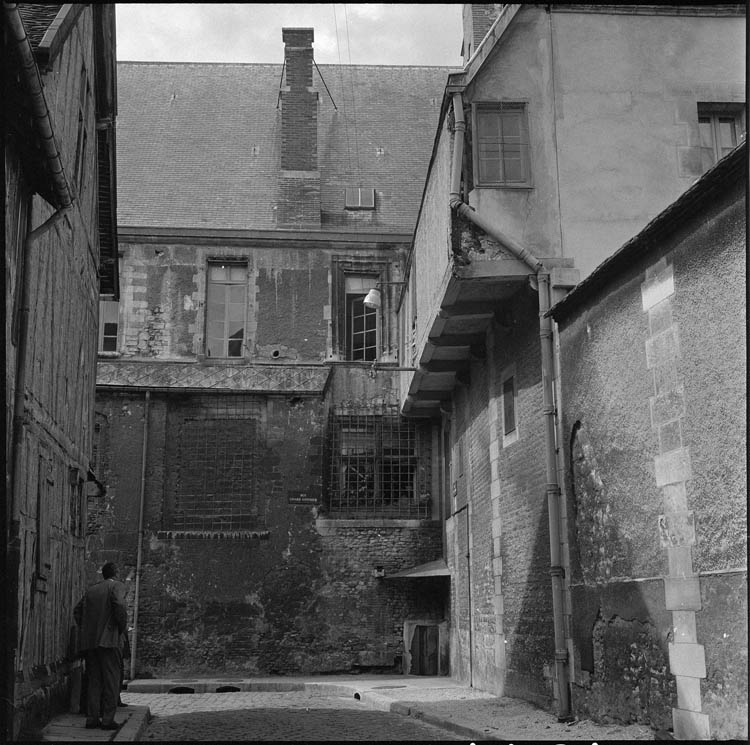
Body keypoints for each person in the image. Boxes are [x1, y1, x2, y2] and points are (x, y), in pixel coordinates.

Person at [74, 562, 127, 730]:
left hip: (91, 642)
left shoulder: (92, 590)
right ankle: (107, 720)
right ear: (116, 573)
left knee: (94, 681)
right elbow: (118, 605)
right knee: (111, 680)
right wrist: (121, 627)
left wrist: (87, 629)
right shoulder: (117, 586)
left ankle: (92, 718)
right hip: (109, 641)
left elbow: (77, 610)